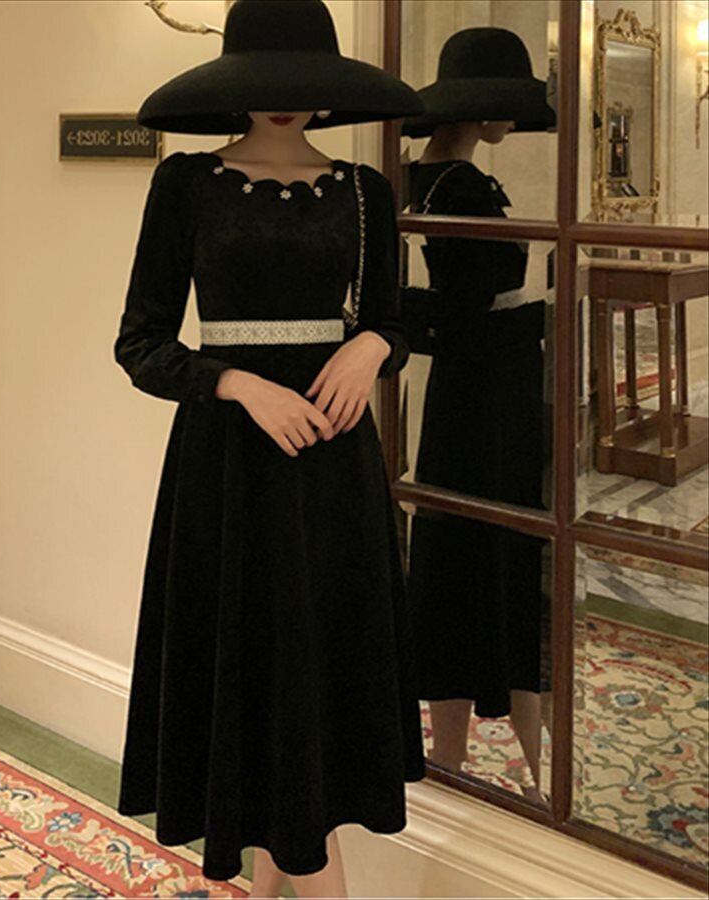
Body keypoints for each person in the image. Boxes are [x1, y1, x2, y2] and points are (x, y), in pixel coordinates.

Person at [113, 1, 426, 897]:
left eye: (301, 82)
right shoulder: (187, 184)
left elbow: (392, 321)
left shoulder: (365, 192)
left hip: (334, 468)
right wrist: (240, 385)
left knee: (320, 671)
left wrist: (374, 346)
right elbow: (141, 344)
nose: (284, 100)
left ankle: (277, 874)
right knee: (248, 664)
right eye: (266, 82)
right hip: (228, 471)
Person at [400, 27, 556, 803]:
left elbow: (447, 309)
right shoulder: (459, 185)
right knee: (496, 555)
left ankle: (458, 757)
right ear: (483, 104)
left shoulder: (424, 178)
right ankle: (533, 767)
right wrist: (537, 317)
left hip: (466, 396)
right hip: (488, 398)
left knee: (459, 560)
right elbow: (464, 312)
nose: (515, 119)